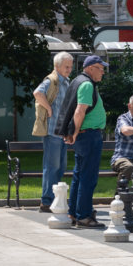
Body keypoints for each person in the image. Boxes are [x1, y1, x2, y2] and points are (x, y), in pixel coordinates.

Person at [54, 55, 108, 228]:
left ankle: (74, 212)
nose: (103, 72)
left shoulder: (78, 81)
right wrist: (75, 133)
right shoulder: (86, 84)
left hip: (85, 135)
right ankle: (84, 216)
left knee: (79, 174)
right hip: (88, 135)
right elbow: (79, 111)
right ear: (91, 68)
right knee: (88, 177)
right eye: (100, 68)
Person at [32, 51, 73, 213]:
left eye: (70, 66)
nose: (69, 69)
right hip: (53, 131)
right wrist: (48, 108)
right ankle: (46, 201)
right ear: (57, 66)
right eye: (66, 66)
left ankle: (56, 198)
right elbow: (37, 93)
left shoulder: (66, 82)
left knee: (60, 166)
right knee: (52, 166)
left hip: (62, 132)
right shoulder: (52, 80)